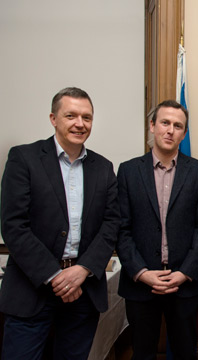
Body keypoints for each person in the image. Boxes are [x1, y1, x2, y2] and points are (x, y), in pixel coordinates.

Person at [0, 87, 121, 359]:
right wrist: (56, 277)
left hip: (83, 292)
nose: (80, 123)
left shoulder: (103, 167)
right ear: (53, 118)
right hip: (31, 291)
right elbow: (13, 226)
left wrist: (83, 270)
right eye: (71, 115)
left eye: (87, 117)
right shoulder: (24, 159)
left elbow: (111, 224)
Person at [115, 100, 198, 359]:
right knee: (143, 353)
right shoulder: (128, 171)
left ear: (184, 133)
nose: (171, 130)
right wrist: (140, 272)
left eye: (178, 125)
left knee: (184, 352)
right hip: (140, 284)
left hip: (184, 284)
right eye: (165, 123)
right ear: (152, 126)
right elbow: (121, 228)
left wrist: (185, 273)